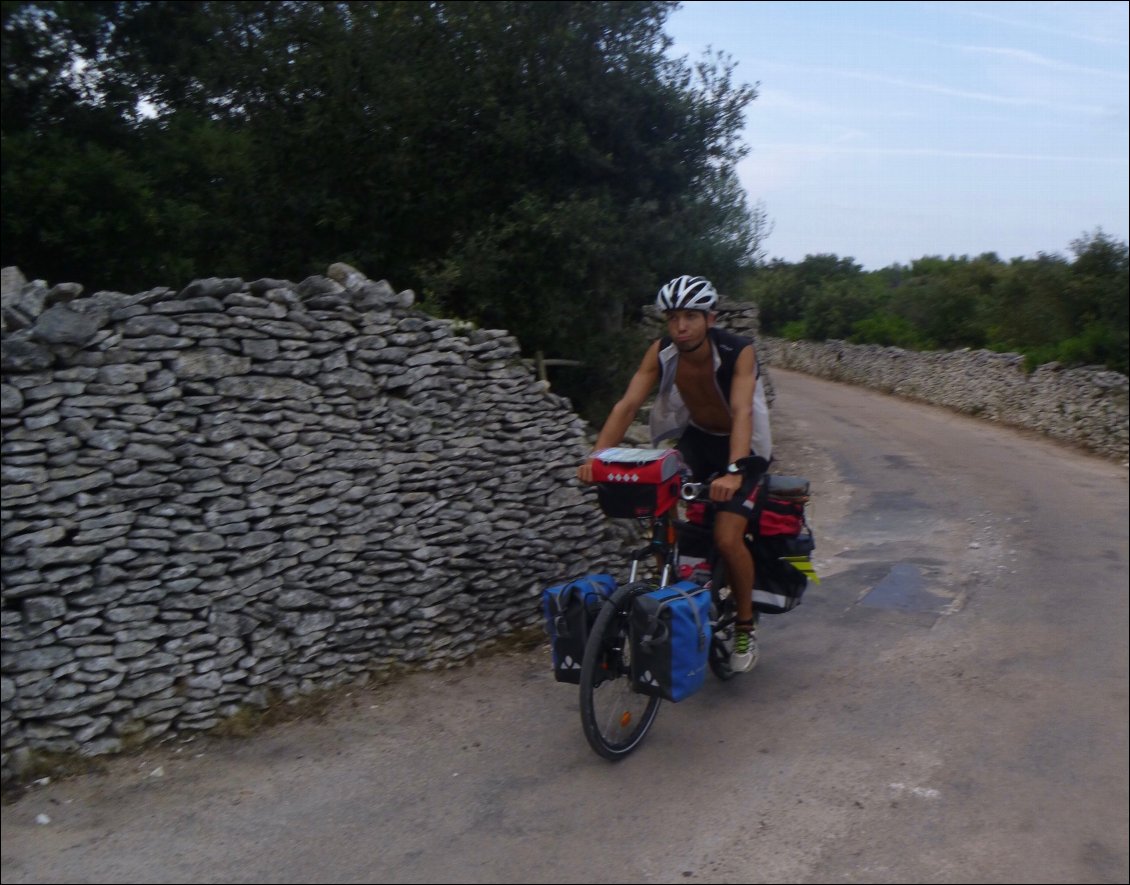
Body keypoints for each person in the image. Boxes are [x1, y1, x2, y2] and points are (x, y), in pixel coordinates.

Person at [577, 274, 772, 672]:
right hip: (697, 440)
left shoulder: (738, 351)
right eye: (673, 318)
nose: (680, 326)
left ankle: (745, 627)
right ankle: (673, 575)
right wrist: (597, 458)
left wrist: (734, 472)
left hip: (742, 447)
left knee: (727, 535)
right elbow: (627, 405)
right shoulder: (663, 351)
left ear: (710, 318)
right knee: (656, 488)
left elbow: (742, 412)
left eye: (690, 316)